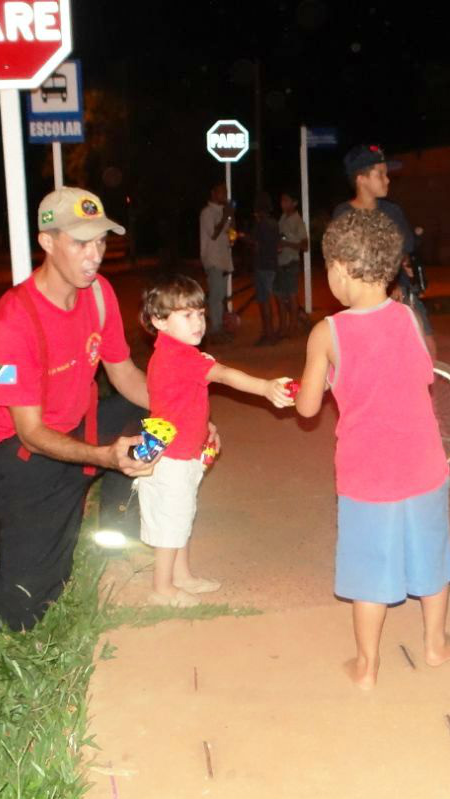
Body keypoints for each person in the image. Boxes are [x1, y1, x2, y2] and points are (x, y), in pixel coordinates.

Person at [0, 188, 204, 634]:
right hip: (25, 463)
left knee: (153, 415)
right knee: (22, 611)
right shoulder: (14, 321)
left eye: (101, 242)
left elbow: (125, 374)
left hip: (79, 431)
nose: (95, 256)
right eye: (80, 242)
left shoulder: (99, 294)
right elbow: (29, 433)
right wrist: (107, 457)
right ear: (47, 242)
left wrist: (189, 419)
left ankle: (118, 535)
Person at [293, 209, 450, 690]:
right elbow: (421, 375)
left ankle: (367, 667)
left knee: (368, 568)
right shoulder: (408, 318)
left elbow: (308, 407)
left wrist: (319, 380)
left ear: (343, 269)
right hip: (424, 465)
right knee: (431, 556)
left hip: (367, 476)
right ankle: (435, 645)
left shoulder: (327, 333)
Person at [139, 276, 293, 607]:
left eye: (200, 313)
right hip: (173, 457)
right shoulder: (180, 357)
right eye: (186, 315)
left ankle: (180, 576)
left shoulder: (177, 353)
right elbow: (223, 375)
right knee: (171, 521)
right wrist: (266, 388)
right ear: (159, 321)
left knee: (181, 515)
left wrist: (203, 424)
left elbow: (177, 401)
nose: (198, 322)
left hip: (181, 451)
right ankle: (161, 588)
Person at [332, 143, 437, 359]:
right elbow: (341, 262)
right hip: (363, 298)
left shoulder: (393, 211)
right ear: (361, 179)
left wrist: (402, 282)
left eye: (386, 174)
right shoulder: (343, 215)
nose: (387, 179)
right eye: (380, 174)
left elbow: (405, 253)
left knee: (427, 346)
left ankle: (427, 391)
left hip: (401, 294)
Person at [199, 183, 234, 344]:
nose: (224, 195)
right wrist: (226, 215)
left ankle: (217, 326)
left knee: (220, 296)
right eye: (222, 192)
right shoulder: (207, 213)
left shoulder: (222, 212)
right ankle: (215, 328)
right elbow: (213, 233)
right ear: (213, 193)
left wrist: (230, 217)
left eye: (225, 192)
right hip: (213, 259)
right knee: (216, 296)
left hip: (224, 258)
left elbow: (230, 233)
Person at [274, 188, 308, 338]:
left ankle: (292, 327)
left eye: (286, 200)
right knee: (280, 296)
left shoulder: (297, 220)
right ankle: (283, 326)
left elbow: (305, 245)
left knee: (292, 295)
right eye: (282, 200)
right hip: (281, 262)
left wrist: (287, 244)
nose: (283, 203)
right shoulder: (283, 218)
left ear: (294, 203)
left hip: (291, 262)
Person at [250, 191, 280, 346]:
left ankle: (268, 334)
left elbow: (256, 246)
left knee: (264, 301)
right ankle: (271, 333)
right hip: (273, 264)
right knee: (269, 299)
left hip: (262, 265)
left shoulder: (260, 224)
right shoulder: (274, 223)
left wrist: (244, 238)